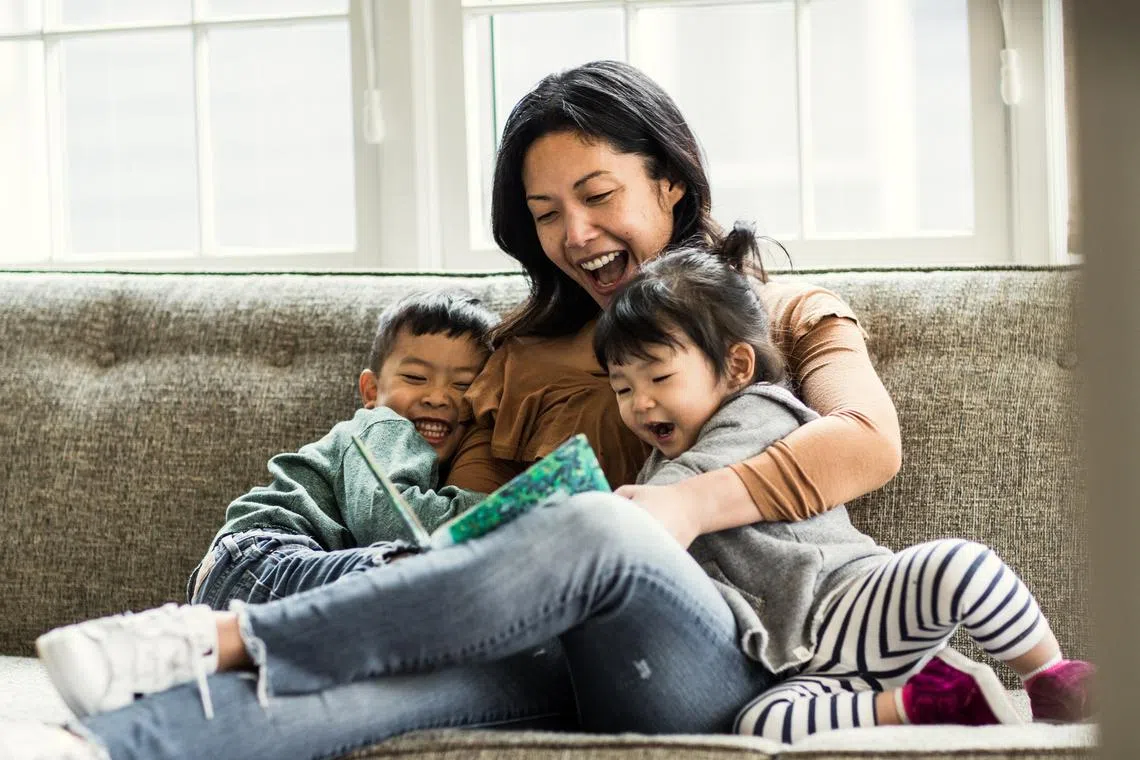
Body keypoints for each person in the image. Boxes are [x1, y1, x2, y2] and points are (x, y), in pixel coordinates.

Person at [6, 60, 903, 760]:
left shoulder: (781, 311)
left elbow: (867, 442)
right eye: (547, 214)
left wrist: (686, 503)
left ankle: (223, 636)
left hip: (713, 655)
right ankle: (99, 743)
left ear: (669, 181)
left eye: (598, 197)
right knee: (363, 690)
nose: (575, 237)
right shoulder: (514, 353)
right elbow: (462, 537)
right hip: (531, 649)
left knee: (601, 529)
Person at [591, 226, 1096, 743]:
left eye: (658, 378)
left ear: (737, 366)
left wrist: (609, 518)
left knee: (958, 564)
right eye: (623, 388)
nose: (639, 403)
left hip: (856, 601)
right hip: (801, 663)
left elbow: (688, 484)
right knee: (757, 722)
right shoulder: (655, 476)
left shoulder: (756, 413)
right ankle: (924, 704)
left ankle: (1050, 676)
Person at [37, 289, 497, 720]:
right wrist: (493, 510)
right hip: (262, 557)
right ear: (371, 390)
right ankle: (142, 644)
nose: (439, 397)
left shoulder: (444, 456)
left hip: (257, 579)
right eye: (416, 377)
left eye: (463, 384)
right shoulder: (381, 428)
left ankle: (174, 680)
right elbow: (392, 519)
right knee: (405, 575)